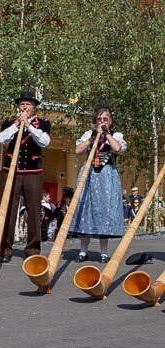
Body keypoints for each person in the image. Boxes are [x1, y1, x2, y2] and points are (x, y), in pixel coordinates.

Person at [0, 91, 51, 261]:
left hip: (33, 171)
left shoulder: (43, 123)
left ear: (34, 108)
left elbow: (45, 142)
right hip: (11, 171)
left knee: (33, 210)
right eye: (22, 104)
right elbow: (0, 139)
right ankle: (5, 248)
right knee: (8, 209)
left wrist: (29, 126)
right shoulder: (9, 122)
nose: (24, 107)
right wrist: (16, 125)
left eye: (28, 104)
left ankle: (33, 249)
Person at [71, 107, 127, 262]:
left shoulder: (116, 135)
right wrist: (92, 138)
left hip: (107, 176)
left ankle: (104, 252)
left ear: (110, 121)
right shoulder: (89, 134)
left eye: (105, 119)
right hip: (89, 175)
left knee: (105, 211)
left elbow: (117, 148)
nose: (101, 122)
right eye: (99, 119)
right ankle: (83, 251)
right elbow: (78, 150)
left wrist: (106, 134)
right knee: (85, 210)